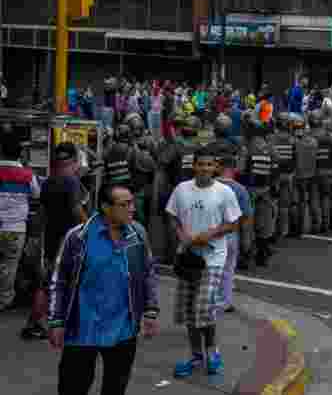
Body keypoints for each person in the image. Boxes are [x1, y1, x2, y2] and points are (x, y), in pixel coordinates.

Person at [48, 183, 160, 395]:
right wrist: (56, 320)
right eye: (124, 204)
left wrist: (150, 311)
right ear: (106, 207)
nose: (132, 209)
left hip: (123, 329)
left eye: (132, 203)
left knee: (115, 387)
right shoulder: (78, 237)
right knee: (72, 386)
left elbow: (148, 273)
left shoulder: (137, 234)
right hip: (82, 328)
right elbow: (59, 279)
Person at [165, 146, 241, 379]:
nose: (205, 169)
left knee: (203, 307)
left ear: (215, 167)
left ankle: (212, 351)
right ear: (194, 166)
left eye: (209, 165)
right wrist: (181, 235)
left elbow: (233, 223)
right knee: (190, 312)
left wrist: (212, 233)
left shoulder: (224, 192)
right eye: (201, 164)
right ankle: (197, 356)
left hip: (214, 258)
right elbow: (172, 215)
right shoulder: (181, 189)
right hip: (188, 259)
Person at [29, 143, 89, 340]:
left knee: (46, 283)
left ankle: (36, 322)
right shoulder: (72, 182)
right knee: (73, 282)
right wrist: (89, 228)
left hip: (51, 238)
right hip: (69, 240)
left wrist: (36, 238)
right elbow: (75, 209)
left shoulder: (48, 182)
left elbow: (42, 213)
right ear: (73, 160)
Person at [0, 122, 41, 311]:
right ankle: (5, 299)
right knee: (10, 263)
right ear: (20, 154)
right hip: (15, 229)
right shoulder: (27, 175)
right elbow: (36, 194)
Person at [215, 156, 251, 314]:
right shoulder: (240, 189)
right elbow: (247, 215)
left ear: (218, 167)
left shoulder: (211, 186)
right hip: (231, 234)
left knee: (212, 269)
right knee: (229, 269)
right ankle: (226, 302)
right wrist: (244, 235)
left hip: (212, 233)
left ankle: (211, 300)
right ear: (234, 169)